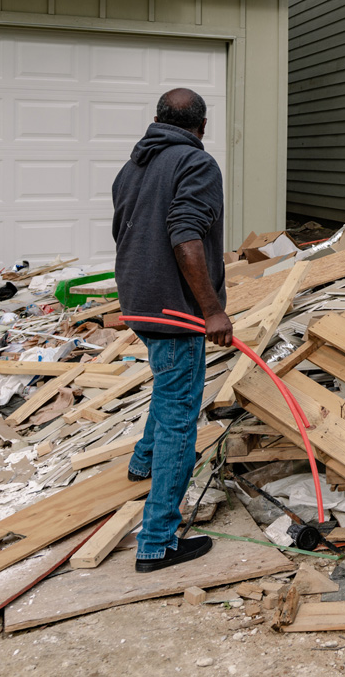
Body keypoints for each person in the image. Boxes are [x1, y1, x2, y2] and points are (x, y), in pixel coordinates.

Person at [111, 88, 232, 572]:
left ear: (157, 120)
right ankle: (157, 541)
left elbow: (123, 232)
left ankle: (142, 462)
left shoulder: (133, 166)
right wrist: (212, 310)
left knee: (168, 386)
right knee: (181, 418)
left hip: (138, 302)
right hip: (175, 311)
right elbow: (185, 237)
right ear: (202, 126)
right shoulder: (196, 164)